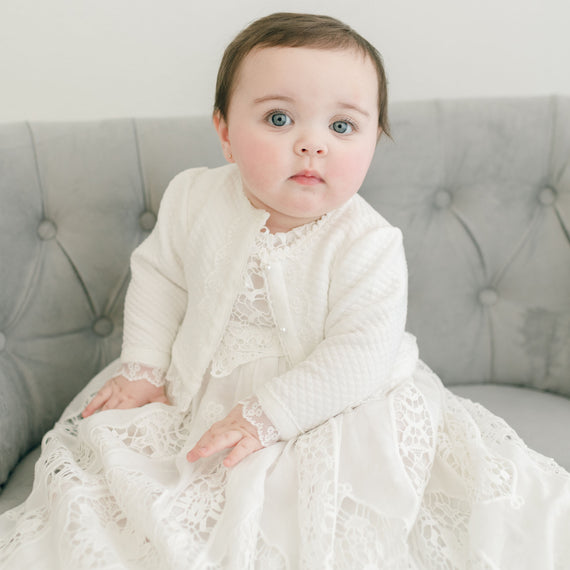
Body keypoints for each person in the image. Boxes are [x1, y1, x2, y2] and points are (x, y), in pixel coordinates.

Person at [1, 12, 569, 569]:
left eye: (341, 126)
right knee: (114, 482)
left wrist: (267, 415)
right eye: (278, 119)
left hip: (333, 402)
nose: (311, 145)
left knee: (305, 509)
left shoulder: (366, 242)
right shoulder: (194, 198)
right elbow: (160, 277)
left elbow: (360, 353)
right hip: (197, 383)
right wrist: (143, 368)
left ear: (375, 139)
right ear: (224, 131)